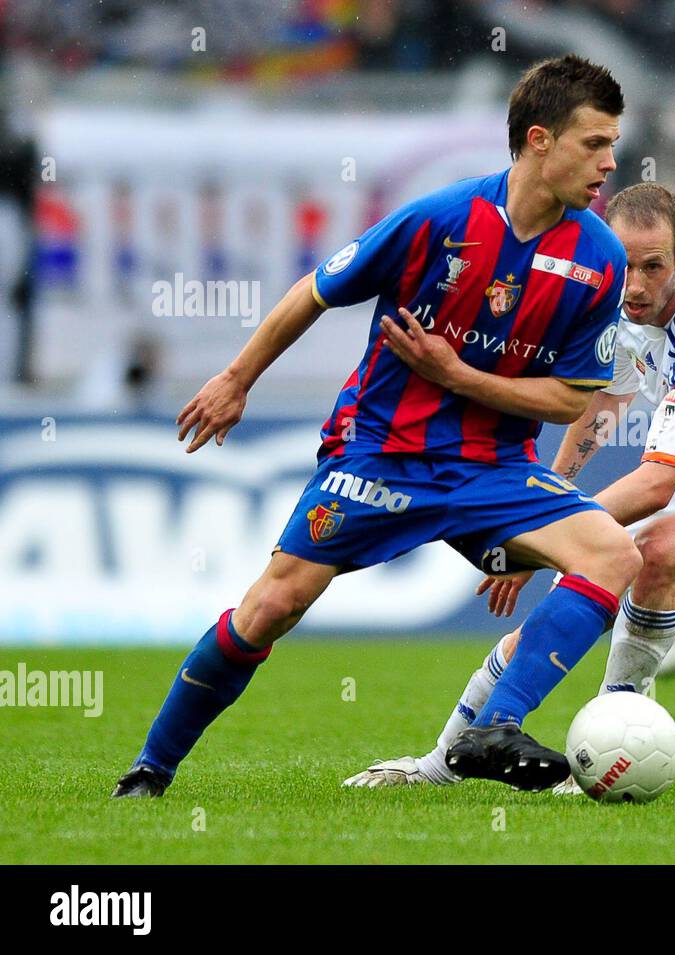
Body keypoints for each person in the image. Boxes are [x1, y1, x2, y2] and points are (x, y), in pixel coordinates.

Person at [112, 54, 638, 798]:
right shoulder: (440, 220)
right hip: (382, 455)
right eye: (595, 144)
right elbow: (317, 290)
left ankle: (498, 725)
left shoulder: (601, 259)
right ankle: (150, 769)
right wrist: (236, 379)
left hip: (494, 472)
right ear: (539, 141)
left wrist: (458, 376)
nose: (610, 163)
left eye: (614, 144)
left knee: (613, 554)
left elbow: (569, 397)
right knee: (271, 606)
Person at [342, 182, 675, 790]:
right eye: (624, 265)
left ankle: (612, 741)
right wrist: (547, 499)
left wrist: (541, 534)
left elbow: (655, 486)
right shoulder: (625, 310)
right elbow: (603, 407)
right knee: (565, 609)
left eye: (654, 266)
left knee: (653, 551)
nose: (635, 284)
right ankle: (441, 764)